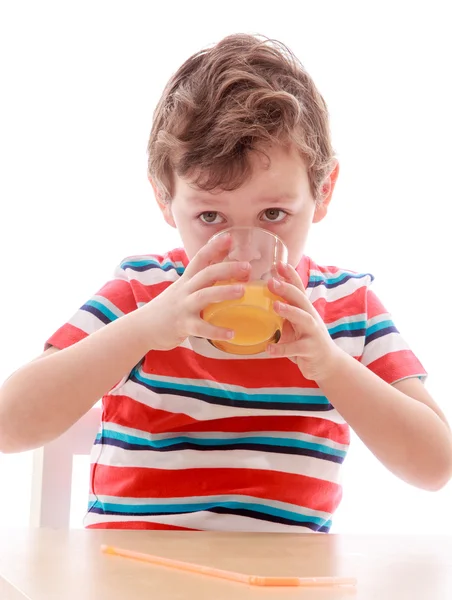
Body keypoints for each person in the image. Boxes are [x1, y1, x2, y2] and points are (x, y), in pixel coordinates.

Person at [0, 34, 451, 532]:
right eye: (210, 216)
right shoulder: (142, 294)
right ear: (164, 199)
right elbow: (9, 424)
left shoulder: (349, 309)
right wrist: (144, 329)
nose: (242, 248)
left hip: (282, 583)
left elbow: (435, 467)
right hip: (133, 573)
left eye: (273, 214)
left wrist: (330, 364)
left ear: (323, 193)